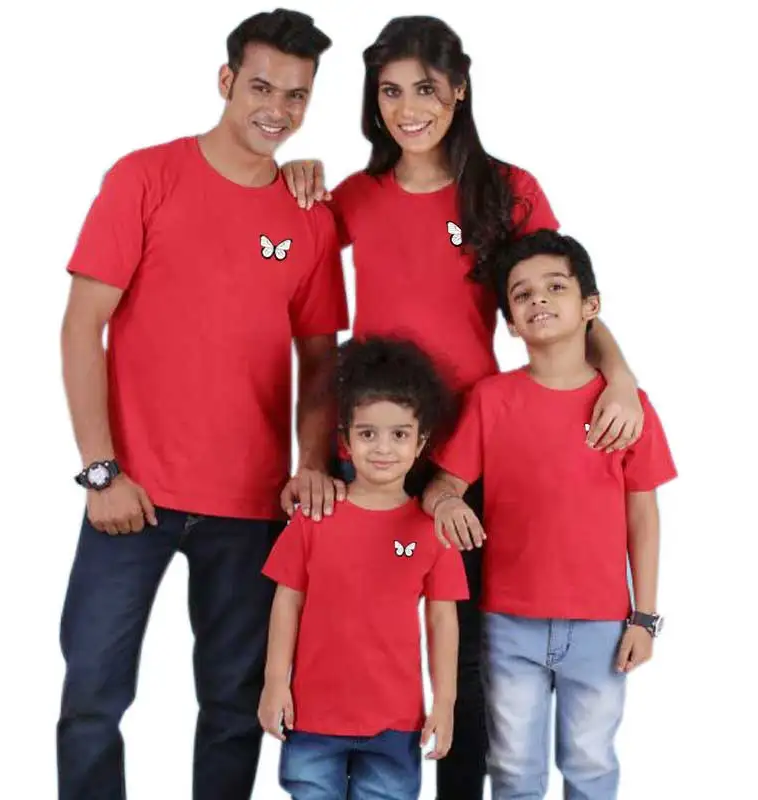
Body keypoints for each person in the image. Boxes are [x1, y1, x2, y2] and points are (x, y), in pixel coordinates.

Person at [280, 16, 645, 799]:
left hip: (474, 455)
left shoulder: (507, 191)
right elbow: (285, 256)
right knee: (358, 634)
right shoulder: (357, 196)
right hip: (373, 449)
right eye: (389, 92)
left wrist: (618, 373)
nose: (408, 108)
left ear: (460, 89)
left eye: (425, 88)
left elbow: (560, 289)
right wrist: (297, 174)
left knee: (472, 648)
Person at [57, 10, 348, 800]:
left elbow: (321, 358)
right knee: (91, 698)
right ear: (225, 81)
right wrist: (101, 472)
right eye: (261, 87)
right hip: (133, 495)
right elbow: (82, 326)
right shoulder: (144, 177)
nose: (277, 110)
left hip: (251, 506)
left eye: (296, 96)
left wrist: (311, 464)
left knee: (232, 706)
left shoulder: (310, 213)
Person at [423, 230, 677, 799]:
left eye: (555, 287)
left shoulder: (627, 410)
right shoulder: (491, 399)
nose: (538, 298)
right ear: (511, 323)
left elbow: (644, 515)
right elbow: (445, 483)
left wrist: (645, 617)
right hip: (508, 623)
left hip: (601, 625)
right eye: (521, 294)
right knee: (513, 769)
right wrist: (445, 501)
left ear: (590, 306)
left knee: (590, 765)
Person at [258, 337, 469, 800]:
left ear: (421, 442)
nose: (383, 448)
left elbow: (442, 619)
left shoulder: (433, 529)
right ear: (346, 440)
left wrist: (445, 702)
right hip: (313, 718)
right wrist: (275, 683)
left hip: (395, 723)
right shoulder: (314, 518)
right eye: (368, 433)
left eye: (399, 435)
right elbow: (287, 602)